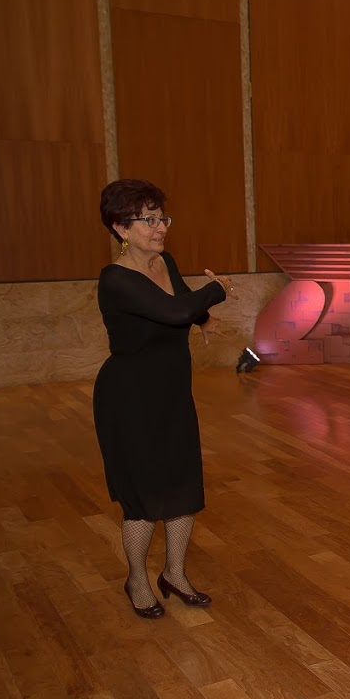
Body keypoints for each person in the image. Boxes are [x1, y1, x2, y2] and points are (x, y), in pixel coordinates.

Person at [93, 179, 232, 618]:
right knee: (143, 498)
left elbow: (183, 301)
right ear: (121, 228)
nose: (161, 227)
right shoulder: (115, 279)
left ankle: (175, 574)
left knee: (182, 487)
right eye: (148, 220)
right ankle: (137, 578)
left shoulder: (163, 262)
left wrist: (204, 320)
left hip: (172, 394)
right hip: (129, 400)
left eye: (162, 218)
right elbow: (173, 311)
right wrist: (219, 289)